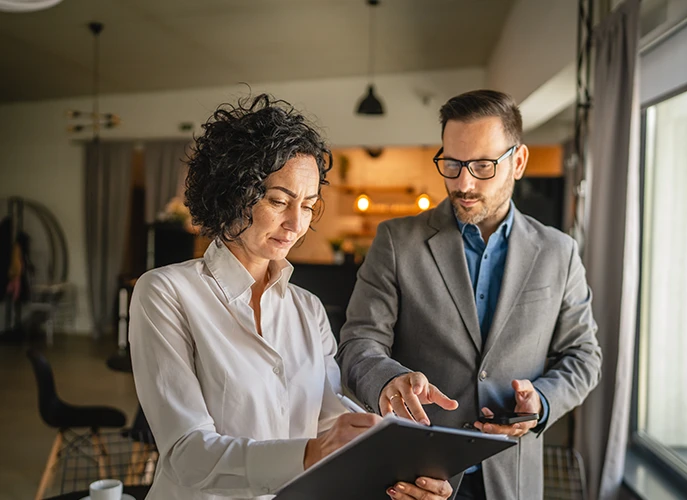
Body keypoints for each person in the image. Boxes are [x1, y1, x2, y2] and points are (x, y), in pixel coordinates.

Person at [129, 94, 453, 500]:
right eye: (279, 201)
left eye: (309, 205)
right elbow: (187, 453)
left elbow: (329, 420)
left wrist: (411, 466)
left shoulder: (307, 308)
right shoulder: (166, 293)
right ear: (232, 194)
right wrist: (309, 454)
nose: (296, 224)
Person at [336, 89, 602, 500]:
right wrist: (388, 379)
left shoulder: (558, 253)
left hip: (512, 479)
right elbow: (358, 342)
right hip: (414, 478)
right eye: (453, 163)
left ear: (519, 161)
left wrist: (542, 402)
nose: (463, 183)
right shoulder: (395, 242)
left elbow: (584, 357)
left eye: (482, 165)